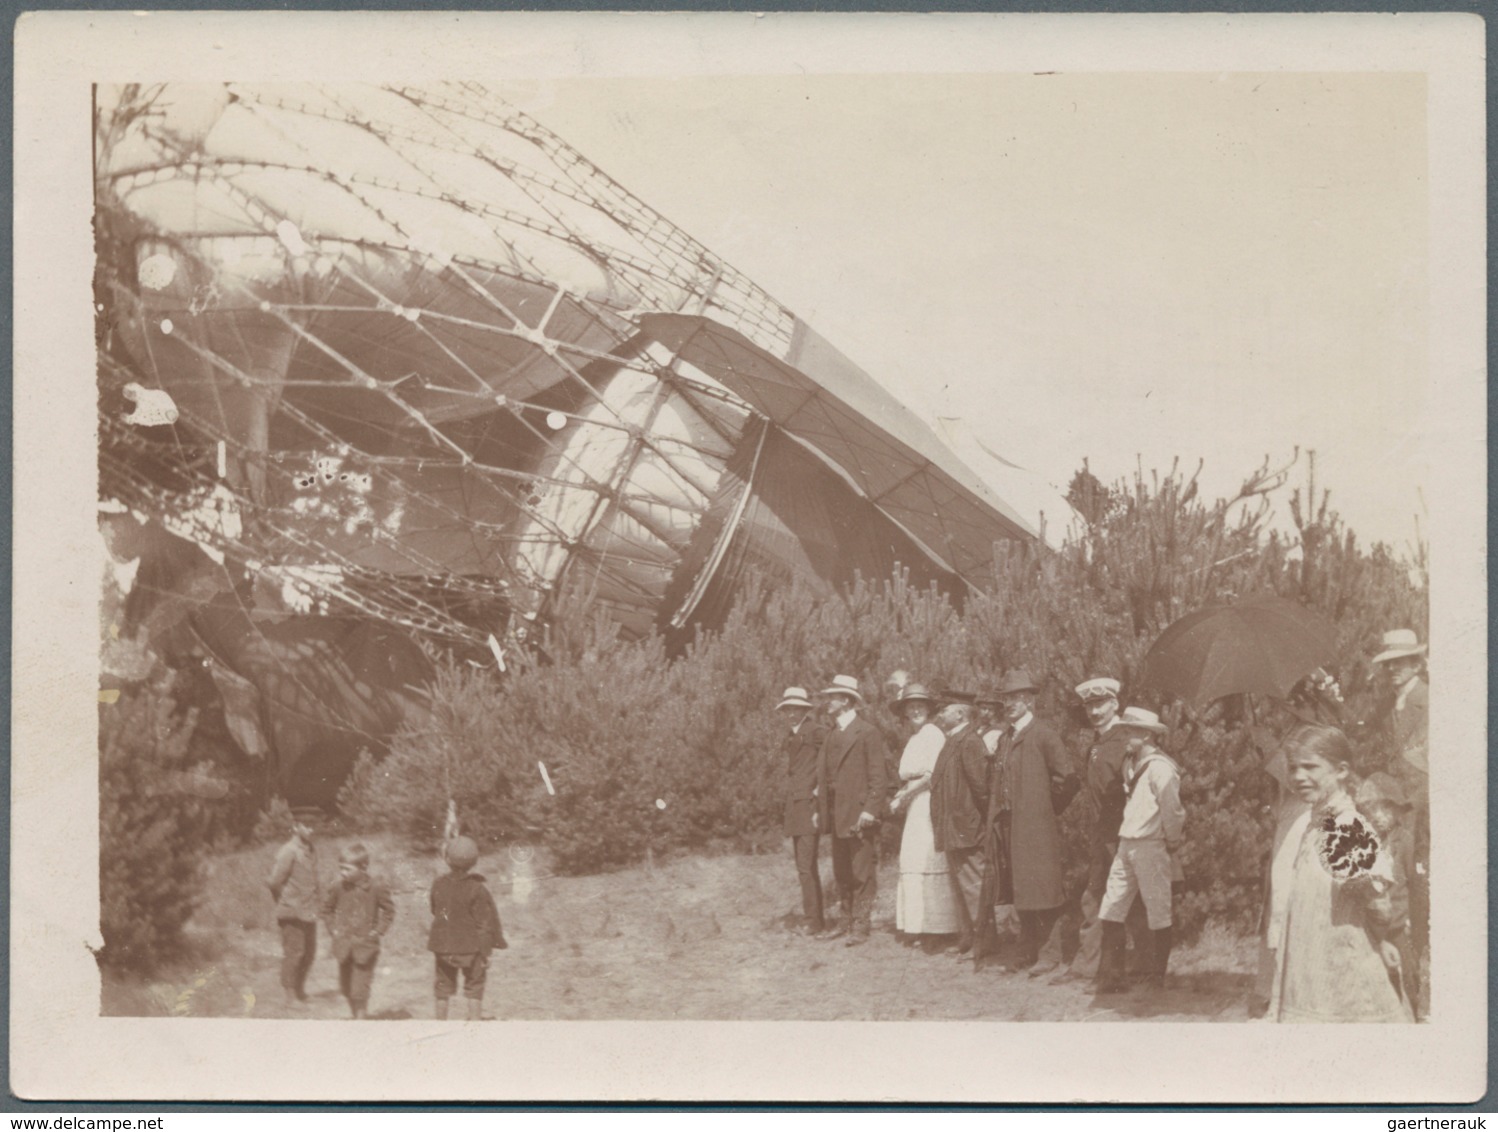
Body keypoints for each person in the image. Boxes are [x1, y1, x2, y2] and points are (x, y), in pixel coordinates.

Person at [1266, 723, 1412, 1023]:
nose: (1298, 777)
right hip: (1311, 968)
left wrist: (1382, 940)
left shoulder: (1345, 827)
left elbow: (1378, 905)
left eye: (1310, 767)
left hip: (1341, 971)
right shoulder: (1317, 823)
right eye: (1293, 768)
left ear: (1341, 771)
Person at [1052, 679, 1153, 987]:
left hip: (1126, 834)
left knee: (1130, 901)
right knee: (1095, 897)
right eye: (1089, 706)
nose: (1095, 711)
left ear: (1114, 704)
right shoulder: (1097, 743)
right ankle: (1088, 967)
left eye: (1101, 704)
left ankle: (1143, 968)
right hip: (1103, 835)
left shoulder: (1126, 740)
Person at [985, 669, 1079, 974]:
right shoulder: (1006, 738)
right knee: (1020, 888)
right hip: (1011, 826)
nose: (1009, 704)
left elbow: (1067, 778)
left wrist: (1044, 810)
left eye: (1015, 698)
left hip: (1036, 826)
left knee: (1044, 888)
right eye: (1005, 699)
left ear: (1028, 700)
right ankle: (1028, 949)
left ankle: (1050, 953)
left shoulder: (1043, 734)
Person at [1096, 708, 1185, 993]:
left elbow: (1172, 810)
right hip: (1127, 843)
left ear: (1146, 735)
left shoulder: (1161, 768)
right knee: (1112, 906)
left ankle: (1157, 977)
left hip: (1150, 844)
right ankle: (1112, 976)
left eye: (1129, 732)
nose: (1124, 737)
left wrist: (1172, 841)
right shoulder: (1130, 763)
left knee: (1158, 910)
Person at [1373, 627, 1429, 1020]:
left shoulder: (1428, 700)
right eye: (1388, 663)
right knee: (1399, 895)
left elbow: (1427, 763)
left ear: (1416, 662)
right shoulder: (1392, 704)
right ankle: (1405, 991)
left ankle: (1419, 996)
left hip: (1420, 813)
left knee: (1416, 897)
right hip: (1400, 814)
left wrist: (1403, 806)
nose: (1393, 669)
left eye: (1400, 662)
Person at [815, 673, 894, 947]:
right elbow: (824, 778)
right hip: (837, 815)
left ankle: (861, 924)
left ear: (846, 701)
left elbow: (878, 776)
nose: (827, 702)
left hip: (860, 815)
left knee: (862, 872)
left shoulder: (868, 732)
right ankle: (845, 921)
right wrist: (820, 810)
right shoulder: (831, 734)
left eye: (832, 698)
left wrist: (871, 809)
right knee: (842, 872)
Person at [888, 683, 960, 948]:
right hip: (916, 804)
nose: (915, 710)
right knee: (915, 859)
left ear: (929, 710)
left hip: (930, 802)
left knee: (930, 858)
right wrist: (902, 796)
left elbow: (932, 775)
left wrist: (904, 796)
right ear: (905, 712)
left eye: (920, 706)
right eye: (910, 707)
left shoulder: (932, 734)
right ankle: (919, 925)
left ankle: (940, 928)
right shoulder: (914, 738)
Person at [929, 689, 992, 956]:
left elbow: (982, 789)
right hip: (954, 827)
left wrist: (980, 824)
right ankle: (968, 937)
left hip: (967, 828)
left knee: (974, 885)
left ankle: (985, 941)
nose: (940, 715)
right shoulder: (954, 739)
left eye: (944, 710)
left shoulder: (969, 741)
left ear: (959, 713)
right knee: (960, 886)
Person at [1356, 772, 1419, 1014]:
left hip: (1397, 926)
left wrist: (1412, 919)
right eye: (1373, 811)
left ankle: (1412, 1018)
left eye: (1386, 811)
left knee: (1407, 979)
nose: (1379, 817)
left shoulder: (1405, 842)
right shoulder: (1364, 843)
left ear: (1397, 812)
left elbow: (1414, 884)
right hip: (1371, 928)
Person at [428, 835, 505, 1021]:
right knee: (474, 987)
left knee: (442, 988)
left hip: (443, 947)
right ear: (475, 862)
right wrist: (486, 953)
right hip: (471, 950)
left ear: (447, 859)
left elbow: (434, 910)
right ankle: (474, 1028)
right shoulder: (477, 889)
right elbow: (485, 925)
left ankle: (440, 1026)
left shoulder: (438, 884)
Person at [322, 842, 396, 1019]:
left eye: (347, 869)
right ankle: (356, 1016)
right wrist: (333, 930)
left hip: (365, 947)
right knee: (346, 987)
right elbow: (326, 910)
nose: (342, 873)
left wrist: (378, 931)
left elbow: (389, 911)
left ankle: (360, 1021)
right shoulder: (338, 887)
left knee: (360, 988)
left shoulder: (376, 887)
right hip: (344, 946)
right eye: (341, 868)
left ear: (363, 867)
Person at [776, 686, 827, 934]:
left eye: (796, 709)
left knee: (806, 866)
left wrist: (819, 794)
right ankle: (815, 918)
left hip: (809, 805)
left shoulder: (816, 732)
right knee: (804, 867)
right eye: (788, 709)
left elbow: (829, 762)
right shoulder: (791, 735)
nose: (792, 713)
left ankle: (813, 921)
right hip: (796, 807)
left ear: (805, 710)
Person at [266, 807, 322, 1010]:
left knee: (309, 953)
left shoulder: (310, 849)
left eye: (314, 826)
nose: (312, 830)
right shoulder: (288, 851)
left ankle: (300, 990)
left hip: (309, 911)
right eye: (307, 826)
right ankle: (289, 996)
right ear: (296, 827)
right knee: (294, 953)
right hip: (292, 912)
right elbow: (274, 882)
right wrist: (285, 903)